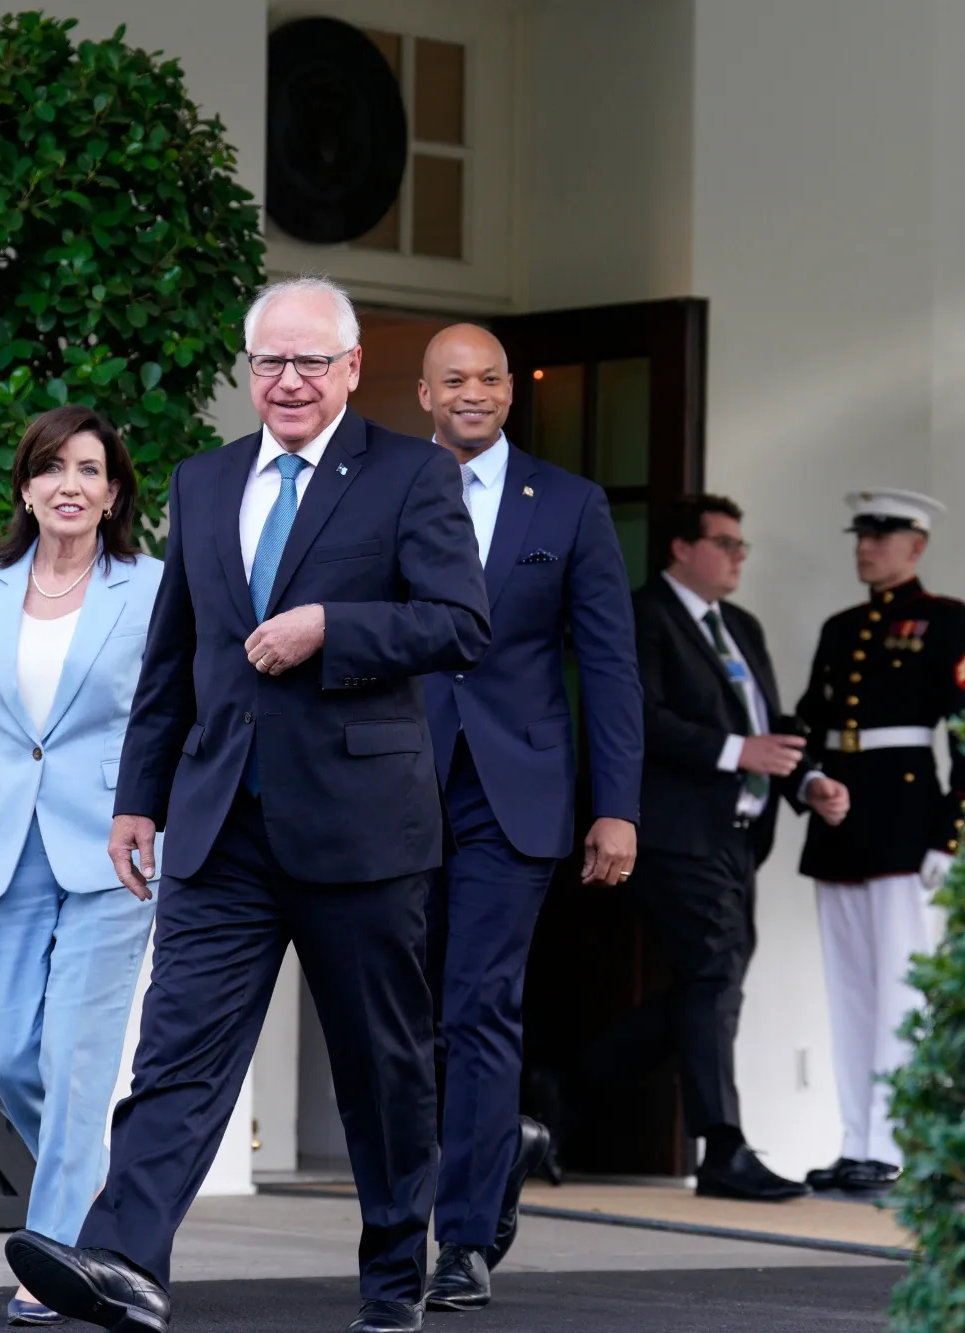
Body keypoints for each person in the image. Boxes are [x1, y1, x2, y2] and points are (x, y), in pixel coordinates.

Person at [4, 277, 490, 1333]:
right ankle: (124, 1262)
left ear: (351, 369)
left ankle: (392, 1273)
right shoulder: (207, 479)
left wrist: (331, 626)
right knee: (175, 1057)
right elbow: (172, 655)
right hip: (220, 822)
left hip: (363, 828)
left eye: (311, 361)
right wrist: (138, 798)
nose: (288, 380)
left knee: (381, 1067)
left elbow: (459, 622)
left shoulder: (409, 475)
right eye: (270, 361)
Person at [0, 405, 163, 1327]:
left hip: (112, 853)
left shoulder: (149, 586)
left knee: (78, 1059)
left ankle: (51, 1257)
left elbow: (168, 718)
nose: (70, 483)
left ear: (112, 493)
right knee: (9, 1056)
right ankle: (89, 1194)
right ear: (26, 486)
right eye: (53, 467)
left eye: (90, 469)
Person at [413, 325, 641, 1312]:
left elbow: (607, 667)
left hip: (515, 793)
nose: (474, 392)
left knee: (477, 1002)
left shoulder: (573, 504)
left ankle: (458, 1238)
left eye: (490, 377)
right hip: (391, 785)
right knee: (395, 1013)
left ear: (512, 389)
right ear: (423, 394)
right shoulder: (375, 491)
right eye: (453, 379)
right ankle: (498, 1143)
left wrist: (615, 808)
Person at [620, 495, 850, 1200]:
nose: (739, 556)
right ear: (682, 548)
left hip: (740, 835)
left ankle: (569, 1083)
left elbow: (769, 724)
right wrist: (734, 749)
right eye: (725, 542)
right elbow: (638, 717)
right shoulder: (644, 614)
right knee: (716, 972)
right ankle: (722, 1147)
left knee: (710, 982)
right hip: (674, 830)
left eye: (743, 545)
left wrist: (806, 779)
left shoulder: (740, 625)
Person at [794, 488, 965, 1195]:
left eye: (881, 534)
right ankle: (857, 1143)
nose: (864, 546)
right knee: (849, 989)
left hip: (907, 823)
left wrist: (951, 833)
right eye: (861, 534)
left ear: (917, 545)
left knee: (901, 991)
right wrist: (810, 781)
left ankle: (894, 1143)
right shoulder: (841, 627)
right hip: (840, 823)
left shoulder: (945, 621)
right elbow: (811, 727)